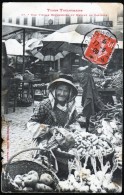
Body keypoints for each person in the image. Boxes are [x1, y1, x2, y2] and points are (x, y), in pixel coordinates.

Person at [77, 65, 106, 131]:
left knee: (88, 111)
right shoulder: (87, 76)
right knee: (88, 110)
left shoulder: (85, 76)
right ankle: (88, 127)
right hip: (88, 94)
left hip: (87, 94)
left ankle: (88, 126)